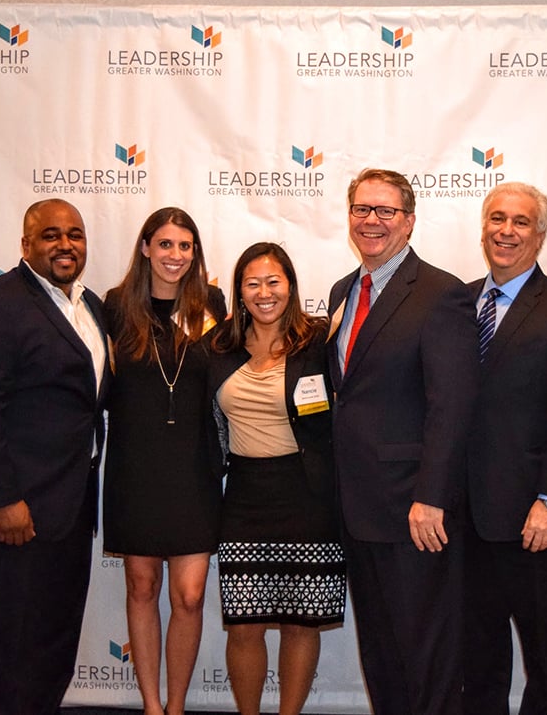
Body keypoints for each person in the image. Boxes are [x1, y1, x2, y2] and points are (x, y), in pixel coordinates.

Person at [0, 198, 110, 715]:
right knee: (11, 646)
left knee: (54, 641)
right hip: (15, 511)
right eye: (50, 235)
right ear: (25, 245)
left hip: (69, 506)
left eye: (75, 234)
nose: (65, 245)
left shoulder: (92, 307)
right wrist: (3, 500)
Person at [327, 168, 477, 715]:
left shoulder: (442, 294)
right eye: (362, 209)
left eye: (385, 211)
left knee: (427, 657)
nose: (372, 221)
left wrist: (432, 496)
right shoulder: (343, 291)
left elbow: (452, 406)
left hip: (416, 510)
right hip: (359, 506)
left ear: (409, 222)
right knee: (381, 653)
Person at [463, 182, 547, 715]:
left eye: (520, 222)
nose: (506, 231)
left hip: (534, 521)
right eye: (497, 219)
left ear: (540, 235)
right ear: (482, 229)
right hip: (465, 520)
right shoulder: (458, 301)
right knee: (478, 659)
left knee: (545, 661)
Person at [209, 242, 346, 715]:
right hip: (245, 496)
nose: (264, 293)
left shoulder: (319, 342)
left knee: (300, 621)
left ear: (290, 285)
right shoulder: (220, 347)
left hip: (308, 494)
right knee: (244, 624)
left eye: (274, 281)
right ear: (239, 292)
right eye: (253, 283)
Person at [102, 207, 225, 715]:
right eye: (166, 244)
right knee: (141, 585)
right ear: (146, 247)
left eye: (186, 246)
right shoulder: (114, 306)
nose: (176, 255)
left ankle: (177, 706)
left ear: (195, 253)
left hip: (195, 465)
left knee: (191, 595)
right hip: (135, 464)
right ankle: (152, 706)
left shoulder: (212, 303)